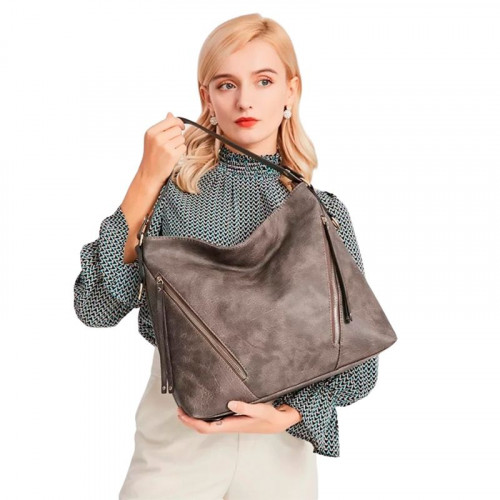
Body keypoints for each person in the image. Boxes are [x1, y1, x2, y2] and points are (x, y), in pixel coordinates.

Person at [73, 13, 379, 500]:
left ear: (291, 91)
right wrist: (145, 180)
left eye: (264, 81)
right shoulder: (170, 195)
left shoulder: (321, 213)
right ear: (207, 98)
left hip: (279, 450)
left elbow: (359, 364)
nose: (245, 100)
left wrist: (292, 414)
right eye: (227, 84)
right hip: (178, 437)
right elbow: (95, 308)